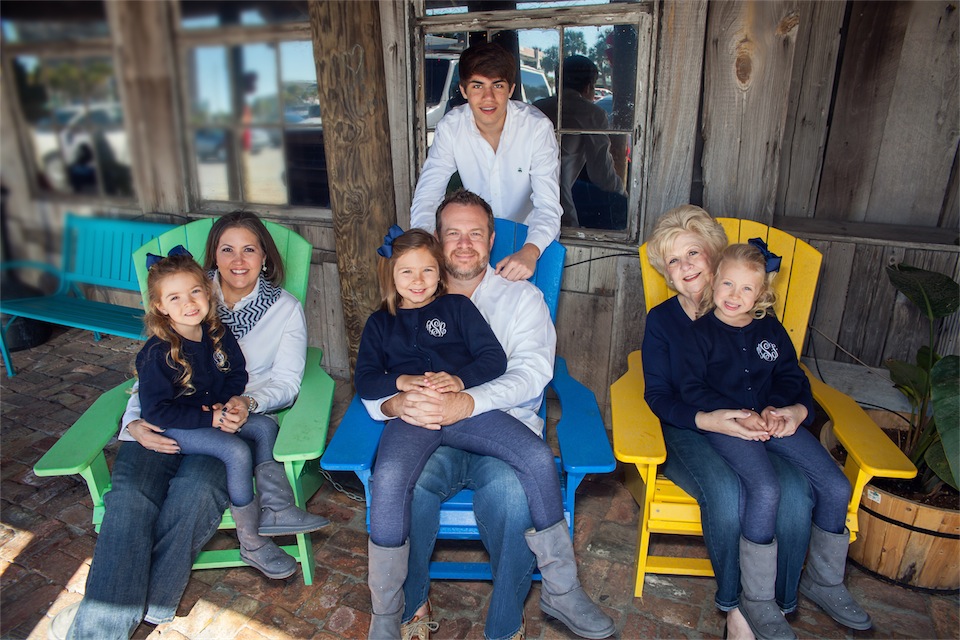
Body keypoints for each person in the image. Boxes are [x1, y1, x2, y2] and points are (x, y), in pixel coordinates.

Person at [53, 212, 316, 640]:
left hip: (224, 427)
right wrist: (135, 422)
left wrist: (247, 401)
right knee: (132, 499)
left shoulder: (283, 308)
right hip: (162, 420)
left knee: (193, 496)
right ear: (212, 255)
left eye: (249, 248)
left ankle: (144, 610)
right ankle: (101, 629)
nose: (237, 259)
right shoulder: (187, 291)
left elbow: (287, 381)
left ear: (265, 256)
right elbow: (155, 373)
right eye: (226, 248)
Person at [363, 190, 613, 640]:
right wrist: (396, 400)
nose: (463, 243)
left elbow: (532, 373)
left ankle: (506, 623)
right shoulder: (392, 314)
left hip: (501, 430)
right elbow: (372, 376)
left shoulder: (522, 299)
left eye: (475, 233)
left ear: (492, 239)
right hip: (426, 428)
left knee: (515, 500)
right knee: (405, 488)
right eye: (452, 233)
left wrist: (467, 399)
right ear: (437, 242)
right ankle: (407, 609)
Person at [679, 241, 870, 639]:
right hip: (731, 427)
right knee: (765, 490)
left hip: (774, 421)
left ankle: (825, 581)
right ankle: (758, 599)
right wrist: (736, 415)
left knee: (836, 486)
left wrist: (788, 410)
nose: (735, 296)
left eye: (747, 289)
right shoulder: (698, 336)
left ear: (761, 294)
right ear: (713, 283)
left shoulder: (770, 329)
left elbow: (792, 378)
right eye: (728, 285)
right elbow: (691, 389)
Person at [641, 205, 814, 640]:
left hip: (754, 428)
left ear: (716, 257)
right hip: (690, 428)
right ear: (665, 271)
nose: (684, 267)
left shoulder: (754, 316)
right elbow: (658, 395)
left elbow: (785, 376)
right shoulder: (663, 322)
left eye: (693, 253)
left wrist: (787, 410)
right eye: (673, 260)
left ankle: (776, 604)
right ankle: (738, 608)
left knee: (794, 492)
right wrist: (707, 417)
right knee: (726, 490)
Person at [135, 247, 328, 581]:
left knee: (265, 428)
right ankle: (251, 542)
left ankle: (276, 508)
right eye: (175, 297)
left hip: (215, 413)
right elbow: (155, 409)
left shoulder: (216, 333)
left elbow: (237, 373)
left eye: (195, 291)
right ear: (160, 306)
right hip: (177, 426)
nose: (189, 302)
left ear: (208, 292)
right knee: (237, 451)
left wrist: (231, 402)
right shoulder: (157, 353)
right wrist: (209, 418)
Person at [409, 41, 562, 282]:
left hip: (526, 238)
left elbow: (548, 204)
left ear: (511, 89)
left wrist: (530, 251)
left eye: (497, 86)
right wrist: (424, 243)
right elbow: (428, 194)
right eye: (477, 85)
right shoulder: (451, 127)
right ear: (463, 89)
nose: (488, 97)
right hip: (471, 241)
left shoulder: (536, 128)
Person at [533, 55, 625, 228]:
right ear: (589, 87)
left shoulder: (536, 107)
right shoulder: (591, 113)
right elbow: (601, 173)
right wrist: (622, 194)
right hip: (558, 197)